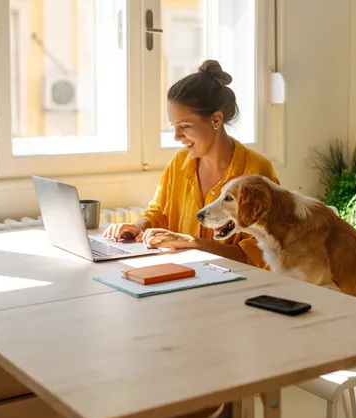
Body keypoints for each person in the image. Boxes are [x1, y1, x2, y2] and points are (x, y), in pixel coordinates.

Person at [104, 59, 279, 268]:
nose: (177, 136)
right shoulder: (180, 162)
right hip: (184, 276)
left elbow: (259, 257)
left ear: (216, 120)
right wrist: (138, 227)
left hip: (237, 286)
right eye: (173, 126)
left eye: (184, 126)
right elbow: (159, 212)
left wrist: (194, 244)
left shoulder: (256, 172)